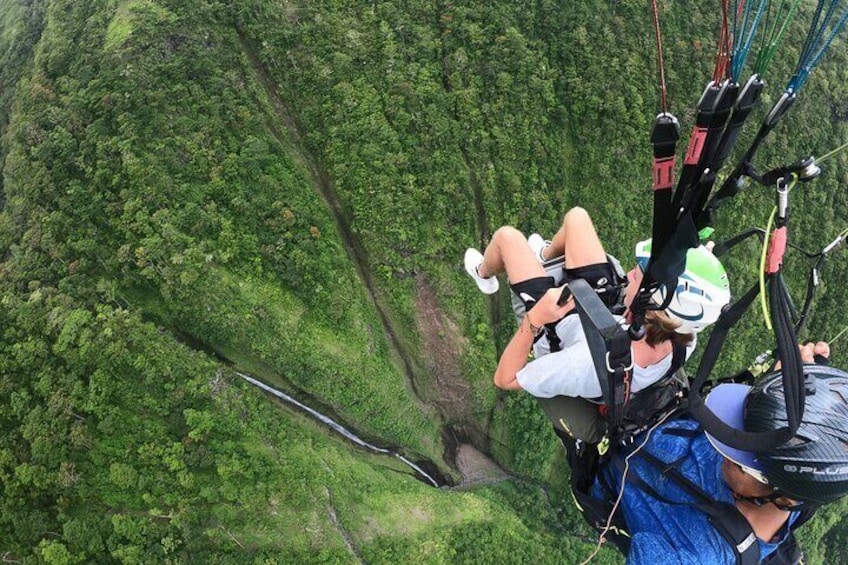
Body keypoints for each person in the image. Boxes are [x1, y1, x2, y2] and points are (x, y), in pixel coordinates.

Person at [463, 207, 730, 442]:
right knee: (577, 219)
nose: (629, 274)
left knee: (507, 238)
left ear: (652, 303)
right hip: (605, 315)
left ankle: (483, 274)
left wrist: (536, 320)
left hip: (557, 327)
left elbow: (505, 379)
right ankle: (544, 256)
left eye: (637, 275)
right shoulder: (684, 336)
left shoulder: (583, 363)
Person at [588, 341, 848, 564]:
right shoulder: (800, 483)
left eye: (738, 459)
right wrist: (779, 390)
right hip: (661, 405)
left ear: (784, 499)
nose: (723, 441)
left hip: (603, 446)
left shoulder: (689, 554)